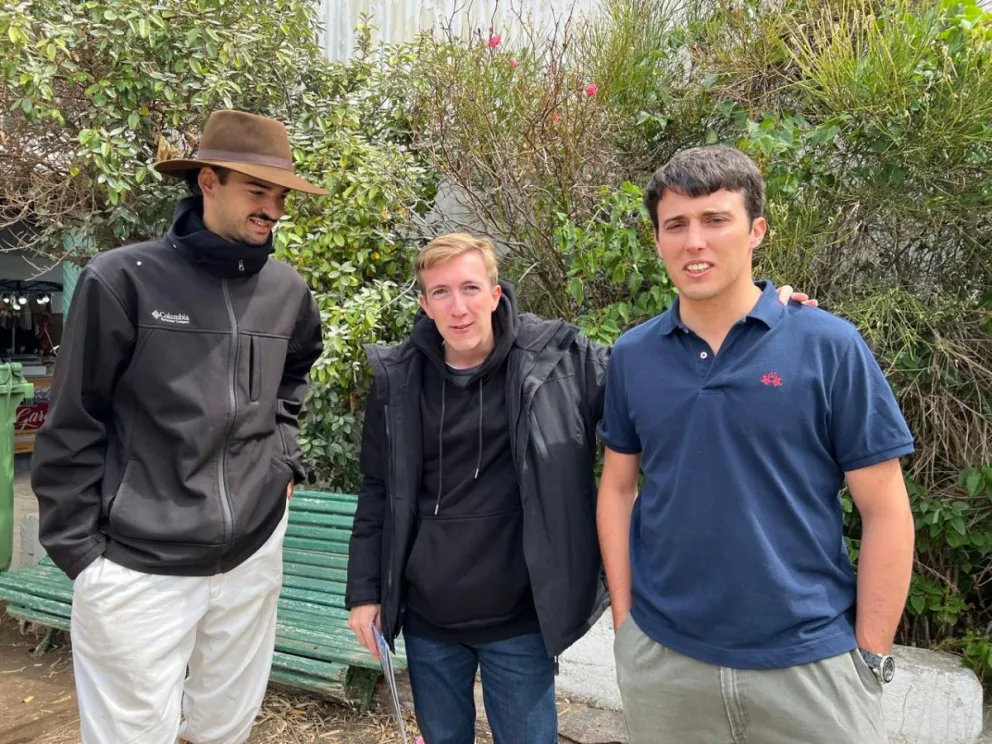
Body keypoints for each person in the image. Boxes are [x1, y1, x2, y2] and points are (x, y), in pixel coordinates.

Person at [344, 232, 814, 744]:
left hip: (520, 619)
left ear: (496, 294)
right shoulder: (397, 379)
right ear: (424, 303)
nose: (458, 307)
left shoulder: (557, 359)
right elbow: (377, 490)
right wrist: (365, 593)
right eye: (441, 293)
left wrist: (750, 320)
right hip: (429, 618)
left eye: (470, 288)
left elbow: (653, 380)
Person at [597, 145, 916, 744]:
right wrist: (626, 627)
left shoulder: (829, 346)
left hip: (810, 667)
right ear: (658, 240)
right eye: (677, 225)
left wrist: (869, 656)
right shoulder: (633, 357)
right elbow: (617, 488)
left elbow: (886, 509)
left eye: (716, 220)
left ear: (756, 231)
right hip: (667, 663)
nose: (695, 241)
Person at [31, 109, 326, 744]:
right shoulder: (122, 280)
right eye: (257, 190)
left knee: (226, 727)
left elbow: (295, 372)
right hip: (137, 564)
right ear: (208, 182)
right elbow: (72, 419)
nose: (272, 209)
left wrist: (281, 457)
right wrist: (84, 557)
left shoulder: (288, 291)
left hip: (251, 554)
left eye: (280, 195)